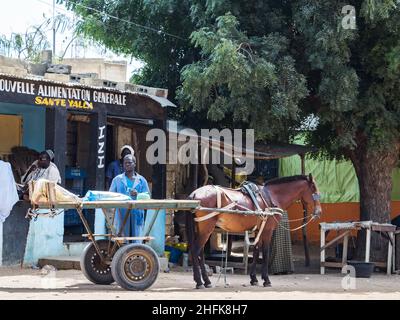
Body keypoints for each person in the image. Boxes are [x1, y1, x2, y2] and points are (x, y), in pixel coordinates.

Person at [109, 154, 150, 241]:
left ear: (134, 164)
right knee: (123, 240)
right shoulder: (117, 180)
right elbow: (110, 196)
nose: (127, 164)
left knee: (137, 239)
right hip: (121, 213)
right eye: (125, 163)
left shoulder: (142, 180)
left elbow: (147, 197)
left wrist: (138, 194)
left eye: (130, 162)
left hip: (137, 214)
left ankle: (136, 254)